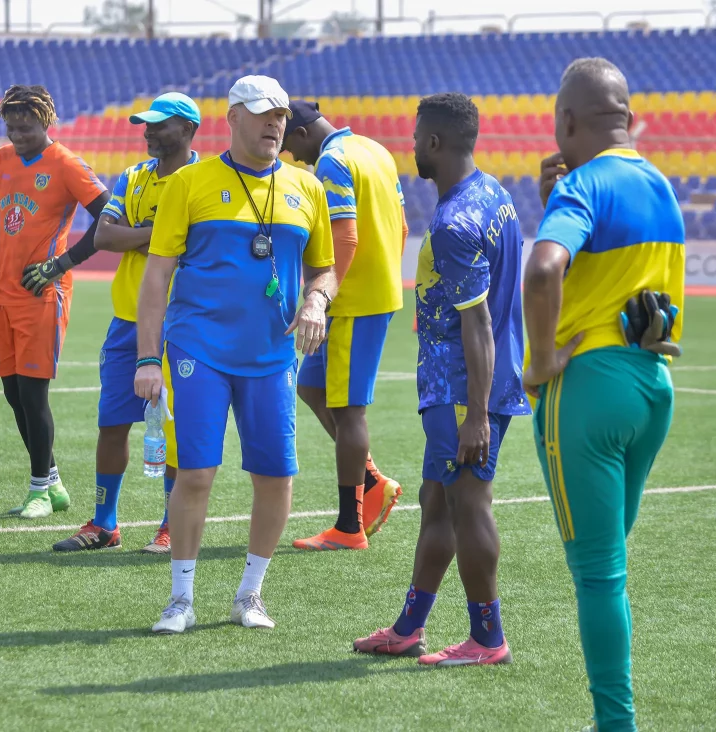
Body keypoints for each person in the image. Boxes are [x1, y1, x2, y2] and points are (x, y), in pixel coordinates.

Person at [133, 75, 336, 634]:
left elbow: (326, 267)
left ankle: (250, 594)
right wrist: (148, 358)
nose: (275, 123)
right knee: (196, 472)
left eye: (280, 115)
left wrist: (317, 298)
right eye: (263, 113)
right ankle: (180, 598)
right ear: (234, 119)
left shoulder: (307, 187)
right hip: (200, 349)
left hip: (273, 356)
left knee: (275, 475)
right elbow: (156, 279)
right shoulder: (189, 184)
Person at [521, 58, 684, 731]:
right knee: (607, 561)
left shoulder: (582, 184)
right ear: (627, 118)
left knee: (597, 575)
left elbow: (543, 268)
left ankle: (616, 725)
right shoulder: (658, 183)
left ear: (565, 122)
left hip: (587, 389)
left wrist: (539, 361)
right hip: (652, 390)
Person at [353, 93, 529, 665]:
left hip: (462, 391)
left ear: (434, 142)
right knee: (437, 503)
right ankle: (408, 628)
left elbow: (476, 323)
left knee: (469, 505)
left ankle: (487, 638)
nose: (410, 146)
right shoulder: (493, 194)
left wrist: (476, 413)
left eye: (415, 137)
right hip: (463, 386)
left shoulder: (455, 223)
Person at [52, 93, 201, 553]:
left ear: (188, 129)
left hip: (184, 322)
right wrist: (163, 237)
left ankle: (170, 526)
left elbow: (195, 242)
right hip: (127, 321)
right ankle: (104, 523)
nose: (148, 132)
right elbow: (104, 235)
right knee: (112, 422)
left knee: (178, 429)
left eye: (160, 125)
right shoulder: (134, 176)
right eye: (146, 124)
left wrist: (136, 240)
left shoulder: (205, 181)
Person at [0, 84, 109, 519]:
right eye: (11, 127)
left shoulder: (66, 164)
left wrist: (61, 263)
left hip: (42, 293)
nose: (17, 135)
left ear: (45, 122)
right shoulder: (1, 160)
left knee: (34, 395)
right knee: (14, 394)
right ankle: (51, 485)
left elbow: (108, 216)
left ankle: (37, 491)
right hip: (4, 292)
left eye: (26, 127)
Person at [280, 100, 407, 551]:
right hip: (374, 290)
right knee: (312, 387)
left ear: (298, 133)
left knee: (350, 410)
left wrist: (325, 293)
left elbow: (346, 236)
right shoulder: (375, 150)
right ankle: (372, 482)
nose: (294, 160)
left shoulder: (332, 162)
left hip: (352, 299)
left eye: (291, 150)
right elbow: (403, 226)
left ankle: (350, 527)